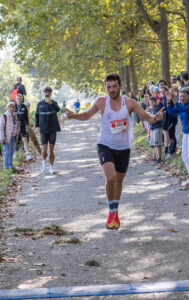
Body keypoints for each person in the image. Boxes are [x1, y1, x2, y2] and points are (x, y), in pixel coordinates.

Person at [66, 73, 163, 230]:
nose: (111, 89)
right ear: (105, 88)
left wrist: (156, 118)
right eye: (108, 87)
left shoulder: (130, 103)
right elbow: (86, 115)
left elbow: (146, 116)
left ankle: (115, 209)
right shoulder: (101, 102)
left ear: (120, 87)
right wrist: (74, 116)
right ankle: (111, 211)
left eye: (114, 86)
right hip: (105, 144)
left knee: (118, 181)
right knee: (110, 178)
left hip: (123, 147)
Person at [166, 87, 189, 188]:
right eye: (180, 96)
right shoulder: (180, 105)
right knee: (184, 156)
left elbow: (184, 109)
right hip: (186, 133)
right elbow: (171, 112)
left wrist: (174, 99)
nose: (181, 98)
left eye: (183, 96)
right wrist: (169, 101)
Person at [35, 87, 61, 174]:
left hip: (52, 129)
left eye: (48, 92)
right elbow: (37, 116)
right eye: (45, 92)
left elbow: (58, 109)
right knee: (44, 150)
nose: (47, 93)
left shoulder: (54, 102)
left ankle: (51, 167)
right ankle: (43, 163)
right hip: (43, 129)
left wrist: (51, 103)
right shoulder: (39, 104)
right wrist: (36, 126)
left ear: (51, 93)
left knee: (51, 149)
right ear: (43, 93)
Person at [0, 102, 18, 170]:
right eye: (10, 107)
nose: (11, 108)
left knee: (12, 151)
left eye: (13, 107)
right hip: (6, 137)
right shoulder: (4, 116)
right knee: (7, 151)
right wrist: (1, 138)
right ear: (7, 108)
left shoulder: (15, 115)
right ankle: (6, 167)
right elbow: (1, 128)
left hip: (13, 136)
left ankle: (11, 165)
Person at [15, 94, 31, 161]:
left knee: (25, 140)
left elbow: (27, 117)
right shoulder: (14, 106)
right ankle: (14, 154)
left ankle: (27, 154)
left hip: (22, 126)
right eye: (17, 99)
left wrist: (27, 124)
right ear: (16, 99)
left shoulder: (24, 106)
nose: (19, 100)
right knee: (15, 140)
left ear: (22, 99)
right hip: (15, 126)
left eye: (20, 99)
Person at [149, 97, 163, 163]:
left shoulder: (157, 109)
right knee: (154, 144)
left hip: (157, 127)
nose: (151, 103)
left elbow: (159, 118)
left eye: (153, 102)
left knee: (157, 144)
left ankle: (159, 158)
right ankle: (155, 157)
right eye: (150, 102)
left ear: (155, 102)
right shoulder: (151, 109)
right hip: (152, 128)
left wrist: (153, 120)